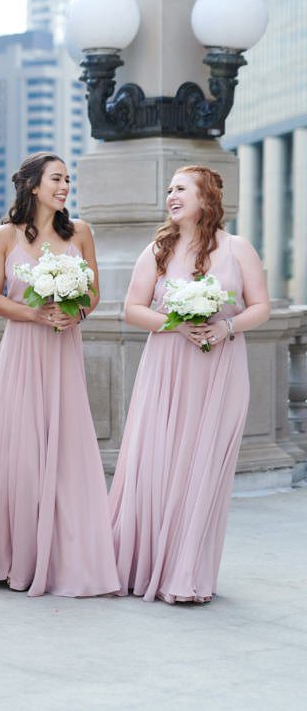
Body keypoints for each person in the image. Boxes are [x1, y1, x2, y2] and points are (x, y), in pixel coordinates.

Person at [109, 165, 269, 603]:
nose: (171, 196)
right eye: (169, 189)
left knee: (204, 468)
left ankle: (187, 573)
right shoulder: (158, 250)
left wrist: (227, 328)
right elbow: (132, 310)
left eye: (180, 189)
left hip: (220, 368)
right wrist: (176, 326)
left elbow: (260, 307)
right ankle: (145, 568)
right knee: (159, 462)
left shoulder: (238, 249)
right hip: (167, 367)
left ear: (206, 197)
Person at [0, 152, 118, 597]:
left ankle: (66, 557)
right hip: (21, 352)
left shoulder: (80, 233)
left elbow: (93, 293)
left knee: (69, 449)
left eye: (68, 180)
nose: (64, 187)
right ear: (33, 185)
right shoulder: (5, 236)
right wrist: (36, 315)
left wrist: (74, 312)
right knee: (22, 452)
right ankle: (18, 559)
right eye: (56, 179)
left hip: (63, 353)